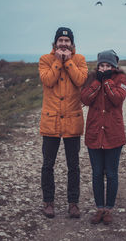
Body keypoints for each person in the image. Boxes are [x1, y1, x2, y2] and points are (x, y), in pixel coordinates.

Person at [38, 27, 88, 218]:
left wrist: (68, 63)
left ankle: (73, 203)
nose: (64, 44)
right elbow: (48, 81)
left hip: (72, 122)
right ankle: (48, 202)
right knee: (47, 165)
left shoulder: (80, 60)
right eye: (61, 40)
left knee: (73, 166)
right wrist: (58, 62)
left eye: (67, 41)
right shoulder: (45, 59)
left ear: (72, 44)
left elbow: (81, 80)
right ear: (55, 43)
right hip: (50, 122)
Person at [81, 49, 126, 225]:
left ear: (114, 66)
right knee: (96, 174)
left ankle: (109, 209)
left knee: (111, 174)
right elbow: (85, 99)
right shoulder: (92, 79)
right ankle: (99, 208)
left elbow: (117, 99)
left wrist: (108, 81)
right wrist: (97, 83)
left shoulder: (121, 79)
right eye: (101, 65)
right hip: (94, 134)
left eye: (107, 65)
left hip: (113, 135)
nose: (104, 68)